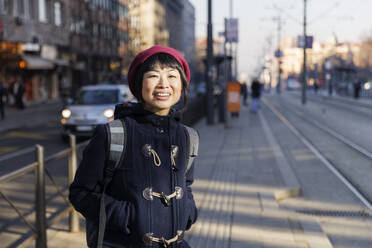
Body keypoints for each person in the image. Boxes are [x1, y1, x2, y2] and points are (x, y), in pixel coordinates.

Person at [69, 45, 198, 248]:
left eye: (172, 76)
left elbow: (186, 184)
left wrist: (188, 211)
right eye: (154, 75)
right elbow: (80, 193)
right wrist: (130, 216)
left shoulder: (188, 136)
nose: (164, 84)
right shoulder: (112, 134)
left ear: (182, 85)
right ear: (139, 84)